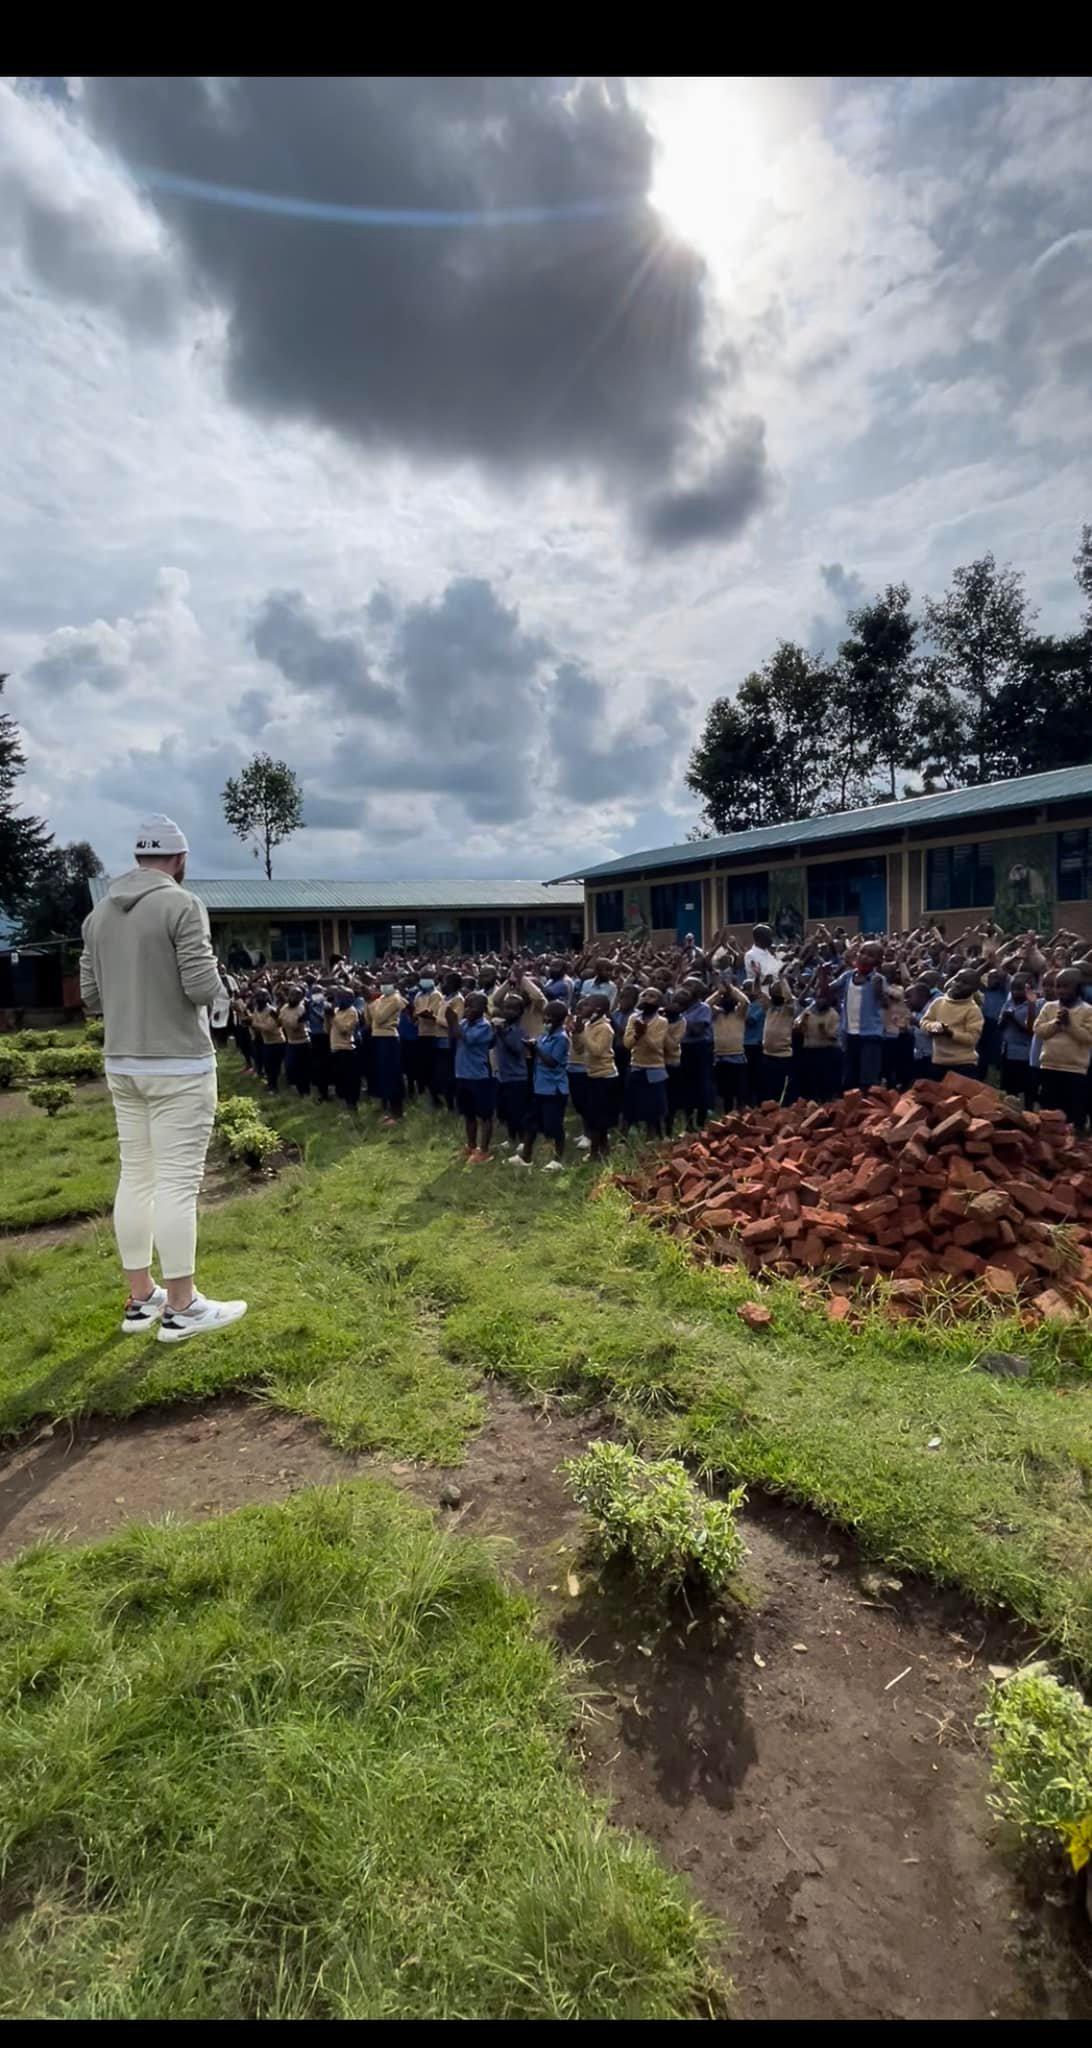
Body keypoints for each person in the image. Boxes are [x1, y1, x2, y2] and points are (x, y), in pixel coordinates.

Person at [78, 813, 246, 1343]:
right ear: (179, 861)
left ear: (137, 860)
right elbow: (200, 987)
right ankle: (182, 1306)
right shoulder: (182, 903)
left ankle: (140, 1297)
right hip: (178, 1063)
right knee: (178, 1183)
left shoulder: (98, 914)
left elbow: (91, 996)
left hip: (122, 1061)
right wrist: (223, 979)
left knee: (137, 1175)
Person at [1032, 966, 1092, 1130]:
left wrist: (1070, 1025)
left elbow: (1088, 1038)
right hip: (1049, 1067)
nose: (1060, 990)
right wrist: (1056, 1023)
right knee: (1049, 1111)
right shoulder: (1049, 1007)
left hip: (1075, 1071)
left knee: (1073, 1114)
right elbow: (1039, 1030)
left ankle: (1075, 1146)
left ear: (1078, 988)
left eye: (1066, 986)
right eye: (1058, 986)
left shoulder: (1087, 1011)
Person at [516, 998, 570, 1170]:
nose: (545, 1021)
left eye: (549, 1018)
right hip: (539, 1087)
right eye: (545, 1017)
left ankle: (557, 1160)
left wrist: (535, 1048)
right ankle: (526, 1157)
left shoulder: (561, 1038)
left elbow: (552, 1062)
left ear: (559, 1019)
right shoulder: (544, 1035)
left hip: (554, 1090)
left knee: (554, 1126)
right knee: (531, 1123)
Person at [832, 943, 888, 1091]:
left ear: (877, 962)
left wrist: (878, 991)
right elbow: (827, 991)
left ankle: (868, 1109)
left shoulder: (878, 979)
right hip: (849, 1034)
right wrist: (822, 976)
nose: (864, 957)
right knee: (850, 1078)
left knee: (867, 1079)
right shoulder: (848, 976)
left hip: (870, 1035)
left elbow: (885, 1004)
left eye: (870, 955)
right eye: (862, 952)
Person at [623, 988, 670, 1139]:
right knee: (631, 1105)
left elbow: (657, 1046)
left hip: (655, 1068)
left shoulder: (662, 1022)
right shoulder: (633, 1018)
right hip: (636, 1066)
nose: (646, 998)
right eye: (644, 995)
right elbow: (627, 1044)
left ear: (659, 1001)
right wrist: (637, 1034)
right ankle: (625, 1137)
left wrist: (644, 1034)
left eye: (652, 996)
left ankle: (656, 1137)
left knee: (655, 1108)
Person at [454, 990, 496, 1161]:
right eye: (467, 1006)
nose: (468, 1010)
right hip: (462, 1074)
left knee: (485, 1115)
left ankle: (484, 1150)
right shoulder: (464, 1023)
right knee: (468, 1114)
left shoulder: (485, 1026)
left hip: (479, 1076)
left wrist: (451, 1022)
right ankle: (471, 1146)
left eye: (473, 1007)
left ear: (483, 1009)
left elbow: (468, 1039)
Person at [920, 971, 984, 1079]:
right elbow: (924, 1022)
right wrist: (933, 1027)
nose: (958, 984)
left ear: (974, 988)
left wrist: (950, 1033)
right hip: (938, 1062)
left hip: (963, 1065)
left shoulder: (973, 1010)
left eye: (965, 983)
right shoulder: (939, 1002)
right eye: (956, 980)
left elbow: (972, 1038)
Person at [580, 993, 619, 1161]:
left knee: (598, 1117)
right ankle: (604, 1149)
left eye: (587, 1004)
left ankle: (594, 1153)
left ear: (597, 1009)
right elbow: (580, 1048)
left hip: (605, 1076)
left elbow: (597, 1051)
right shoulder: (588, 1024)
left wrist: (582, 1034)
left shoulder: (605, 1028)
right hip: (592, 1074)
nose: (583, 1007)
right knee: (595, 1115)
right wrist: (576, 1034)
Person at [495, 992, 532, 1150]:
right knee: (506, 1112)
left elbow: (517, 1050)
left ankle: (523, 1141)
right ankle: (511, 1138)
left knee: (518, 1111)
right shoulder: (502, 1029)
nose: (508, 1012)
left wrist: (502, 1034)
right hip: (502, 1076)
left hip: (517, 1078)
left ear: (520, 1012)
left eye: (512, 1009)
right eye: (505, 1008)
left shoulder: (519, 1031)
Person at [679, 978, 715, 1131]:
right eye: (684, 984)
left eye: (691, 985)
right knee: (686, 1086)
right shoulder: (681, 1008)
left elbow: (697, 1030)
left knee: (701, 1084)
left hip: (700, 1049)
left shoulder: (704, 1008)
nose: (686, 988)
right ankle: (688, 1123)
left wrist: (679, 1019)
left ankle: (701, 1122)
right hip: (683, 1048)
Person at [367, 979, 406, 1123]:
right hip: (377, 1036)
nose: (383, 984)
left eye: (387, 980)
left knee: (392, 1074)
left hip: (388, 1038)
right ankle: (388, 1111)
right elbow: (369, 1019)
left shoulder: (395, 999)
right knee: (383, 1075)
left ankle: (397, 1113)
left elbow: (379, 1018)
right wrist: (370, 1002)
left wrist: (371, 1002)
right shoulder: (382, 998)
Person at [793, 990, 842, 1102]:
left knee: (825, 1081)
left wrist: (824, 1032)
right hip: (810, 1050)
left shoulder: (833, 1014)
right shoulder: (808, 1011)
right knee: (810, 1082)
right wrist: (800, 1025)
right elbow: (796, 1026)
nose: (820, 1001)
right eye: (818, 998)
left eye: (823, 998)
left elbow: (835, 1036)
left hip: (826, 1052)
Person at [998, 974, 1036, 1107]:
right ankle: (1010, 1111)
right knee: (1010, 1086)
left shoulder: (1032, 1006)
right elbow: (1000, 1026)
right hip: (1008, 1051)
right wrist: (1004, 1018)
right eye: (1013, 988)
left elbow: (1031, 1030)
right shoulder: (1008, 1003)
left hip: (1024, 1054)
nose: (1015, 992)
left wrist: (1014, 1019)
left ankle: (1029, 1112)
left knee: (1027, 1087)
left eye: (1019, 989)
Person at [711, 981, 749, 1111]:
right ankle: (726, 1116)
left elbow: (745, 1002)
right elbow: (706, 1004)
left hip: (737, 1055)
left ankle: (740, 1114)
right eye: (724, 998)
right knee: (725, 1092)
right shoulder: (716, 1014)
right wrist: (719, 992)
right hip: (720, 1056)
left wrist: (731, 988)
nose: (727, 1000)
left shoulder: (739, 1013)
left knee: (739, 1091)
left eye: (730, 998)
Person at [759, 976, 794, 1101]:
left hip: (783, 1057)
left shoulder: (788, 1010)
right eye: (773, 992)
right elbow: (758, 993)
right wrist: (758, 977)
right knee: (767, 1090)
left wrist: (782, 980)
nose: (774, 994)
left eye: (777, 992)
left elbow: (789, 999)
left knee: (781, 1091)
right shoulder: (769, 1008)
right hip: (767, 1055)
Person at [329, 990, 362, 1112]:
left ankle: (352, 1105)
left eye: (340, 997)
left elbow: (345, 1030)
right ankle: (343, 1104)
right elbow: (329, 1028)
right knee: (339, 1079)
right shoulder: (337, 1011)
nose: (338, 1000)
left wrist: (334, 1018)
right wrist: (328, 1017)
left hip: (346, 1049)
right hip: (335, 1048)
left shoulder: (352, 1012)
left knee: (350, 1079)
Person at [278, 985, 312, 1098]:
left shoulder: (302, 1009)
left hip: (303, 1042)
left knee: (304, 1068)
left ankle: (305, 1091)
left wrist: (290, 1021)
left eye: (296, 995)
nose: (293, 997)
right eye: (291, 995)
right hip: (291, 1042)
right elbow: (281, 1021)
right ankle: (297, 1088)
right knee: (290, 1066)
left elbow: (294, 1025)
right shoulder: (284, 1008)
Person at [250, 992, 286, 1093]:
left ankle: (274, 1087)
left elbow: (269, 1028)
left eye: (260, 997)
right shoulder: (257, 1010)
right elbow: (254, 1023)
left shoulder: (272, 1011)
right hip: (266, 1042)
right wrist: (258, 1025)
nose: (258, 1000)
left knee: (274, 1066)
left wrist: (257, 1025)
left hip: (277, 1042)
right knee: (268, 1066)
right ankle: (271, 1085)